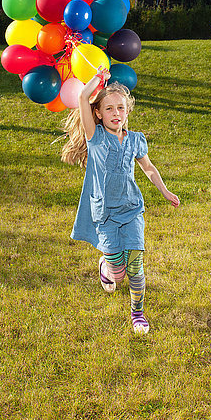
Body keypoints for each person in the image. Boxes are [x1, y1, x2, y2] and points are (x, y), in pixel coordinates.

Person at [61, 66, 180, 334]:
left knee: (135, 265)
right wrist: (97, 79)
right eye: (110, 108)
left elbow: (149, 168)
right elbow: (82, 98)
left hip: (131, 210)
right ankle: (106, 266)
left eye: (121, 108)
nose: (116, 113)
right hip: (104, 214)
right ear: (98, 114)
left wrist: (164, 191)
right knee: (118, 272)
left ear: (127, 112)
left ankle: (137, 313)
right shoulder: (96, 138)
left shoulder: (136, 140)